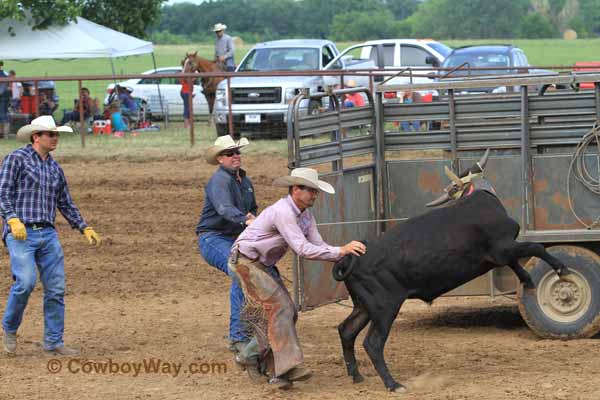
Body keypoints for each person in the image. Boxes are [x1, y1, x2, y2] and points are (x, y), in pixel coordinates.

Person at [229, 167, 367, 389]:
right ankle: (285, 368)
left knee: (286, 313)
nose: (314, 195)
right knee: (282, 309)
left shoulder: (305, 216)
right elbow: (302, 249)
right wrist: (341, 250)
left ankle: (251, 356)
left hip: (258, 264)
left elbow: (318, 245)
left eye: (315, 191)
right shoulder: (283, 212)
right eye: (311, 190)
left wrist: (341, 256)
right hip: (246, 262)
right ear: (295, 189)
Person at [0, 115, 101, 356]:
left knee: (55, 289)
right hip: (21, 233)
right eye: (51, 134)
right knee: (25, 283)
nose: (55, 138)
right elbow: (2, 193)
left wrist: (83, 226)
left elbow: (65, 203)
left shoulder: (55, 169)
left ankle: (54, 341)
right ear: (37, 137)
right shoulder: (16, 159)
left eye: (56, 135)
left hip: (47, 233)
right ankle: (9, 328)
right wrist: (12, 219)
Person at [196, 135, 257, 355]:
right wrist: (247, 220)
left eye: (237, 152)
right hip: (212, 238)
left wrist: (252, 218)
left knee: (253, 273)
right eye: (230, 153)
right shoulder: (219, 181)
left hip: (234, 239)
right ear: (220, 159)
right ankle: (238, 336)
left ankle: (249, 327)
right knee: (240, 273)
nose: (236, 156)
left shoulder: (245, 181)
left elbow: (253, 209)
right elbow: (224, 209)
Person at [0, 61, 9, 139]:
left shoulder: (4, 74)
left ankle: (4, 134)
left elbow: (3, 87)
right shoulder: (6, 73)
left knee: (3, 114)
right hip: (5, 96)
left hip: (3, 96)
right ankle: (4, 134)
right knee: (4, 113)